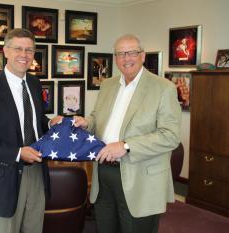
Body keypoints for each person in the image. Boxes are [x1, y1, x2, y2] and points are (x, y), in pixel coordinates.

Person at [74, 34, 181, 233]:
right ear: (115, 58)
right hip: (103, 173)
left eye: (132, 52)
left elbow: (170, 136)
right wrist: (86, 122)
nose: (126, 58)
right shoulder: (107, 85)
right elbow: (97, 117)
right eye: (120, 54)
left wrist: (125, 146)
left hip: (140, 176)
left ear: (142, 55)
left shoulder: (163, 88)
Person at [0, 28, 62, 233]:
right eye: (18, 48)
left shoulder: (35, 84)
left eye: (29, 50)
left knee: (33, 228)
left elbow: (33, 120)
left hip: (37, 171)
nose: (24, 55)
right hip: (4, 175)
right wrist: (18, 152)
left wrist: (50, 124)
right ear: (5, 51)